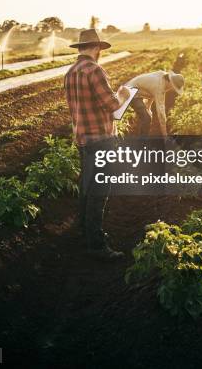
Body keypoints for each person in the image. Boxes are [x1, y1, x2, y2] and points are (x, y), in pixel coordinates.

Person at [64, 29, 130, 261]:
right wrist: (122, 94)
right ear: (97, 48)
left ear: (80, 47)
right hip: (101, 140)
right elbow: (113, 106)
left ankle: (82, 231)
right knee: (99, 191)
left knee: (87, 186)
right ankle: (96, 244)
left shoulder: (70, 72)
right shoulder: (95, 70)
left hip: (82, 139)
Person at [126, 71, 184, 136]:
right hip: (130, 92)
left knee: (146, 116)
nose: (171, 89)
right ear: (170, 82)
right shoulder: (159, 87)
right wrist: (165, 135)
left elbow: (151, 92)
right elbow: (161, 113)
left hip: (136, 91)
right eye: (173, 87)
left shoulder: (162, 76)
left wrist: (148, 107)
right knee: (146, 119)